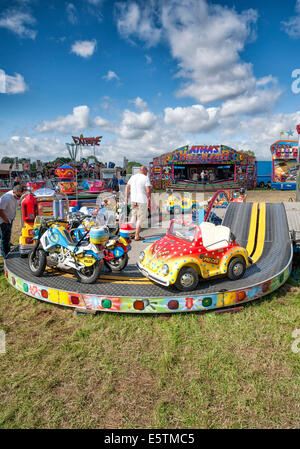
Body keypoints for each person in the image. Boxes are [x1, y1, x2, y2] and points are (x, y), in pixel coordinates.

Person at [125, 165, 151, 241]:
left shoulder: (133, 177)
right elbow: (148, 191)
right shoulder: (145, 178)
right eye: (147, 171)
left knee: (133, 216)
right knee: (140, 218)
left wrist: (127, 197)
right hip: (142, 200)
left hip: (133, 200)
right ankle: (136, 235)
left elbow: (127, 186)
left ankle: (129, 233)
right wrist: (149, 199)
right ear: (145, 171)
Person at [0, 185, 25, 259]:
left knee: (6, 236)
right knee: (5, 238)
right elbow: (0, 210)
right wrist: (6, 220)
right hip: (3, 220)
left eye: (20, 196)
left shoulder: (17, 195)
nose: (19, 198)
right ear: (13, 192)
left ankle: (6, 248)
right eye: (17, 196)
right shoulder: (6, 198)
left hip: (9, 219)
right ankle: (6, 255)